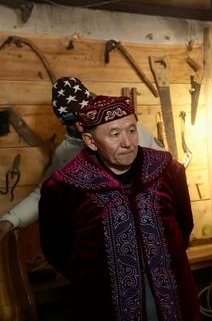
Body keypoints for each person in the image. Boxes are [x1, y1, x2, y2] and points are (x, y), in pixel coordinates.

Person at [38, 95, 206, 321]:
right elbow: (57, 250)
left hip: (174, 310)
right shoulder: (64, 188)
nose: (127, 142)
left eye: (131, 129)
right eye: (114, 134)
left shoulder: (167, 170)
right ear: (90, 141)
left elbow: (184, 226)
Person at [0, 77, 162, 241]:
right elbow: (45, 194)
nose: (80, 124)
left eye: (84, 116)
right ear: (66, 123)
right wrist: (11, 219)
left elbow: (168, 174)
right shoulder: (65, 154)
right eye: (74, 121)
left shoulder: (131, 133)